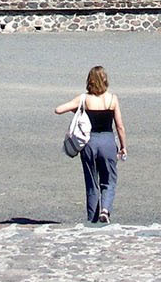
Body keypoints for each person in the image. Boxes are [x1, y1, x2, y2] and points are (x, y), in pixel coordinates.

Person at [54, 66, 126, 223]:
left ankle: (92, 220)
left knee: (92, 183)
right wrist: (123, 146)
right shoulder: (112, 99)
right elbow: (119, 126)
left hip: (89, 143)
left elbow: (58, 110)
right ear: (105, 80)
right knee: (109, 180)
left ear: (89, 81)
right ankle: (105, 210)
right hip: (107, 141)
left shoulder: (84, 99)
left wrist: (79, 110)